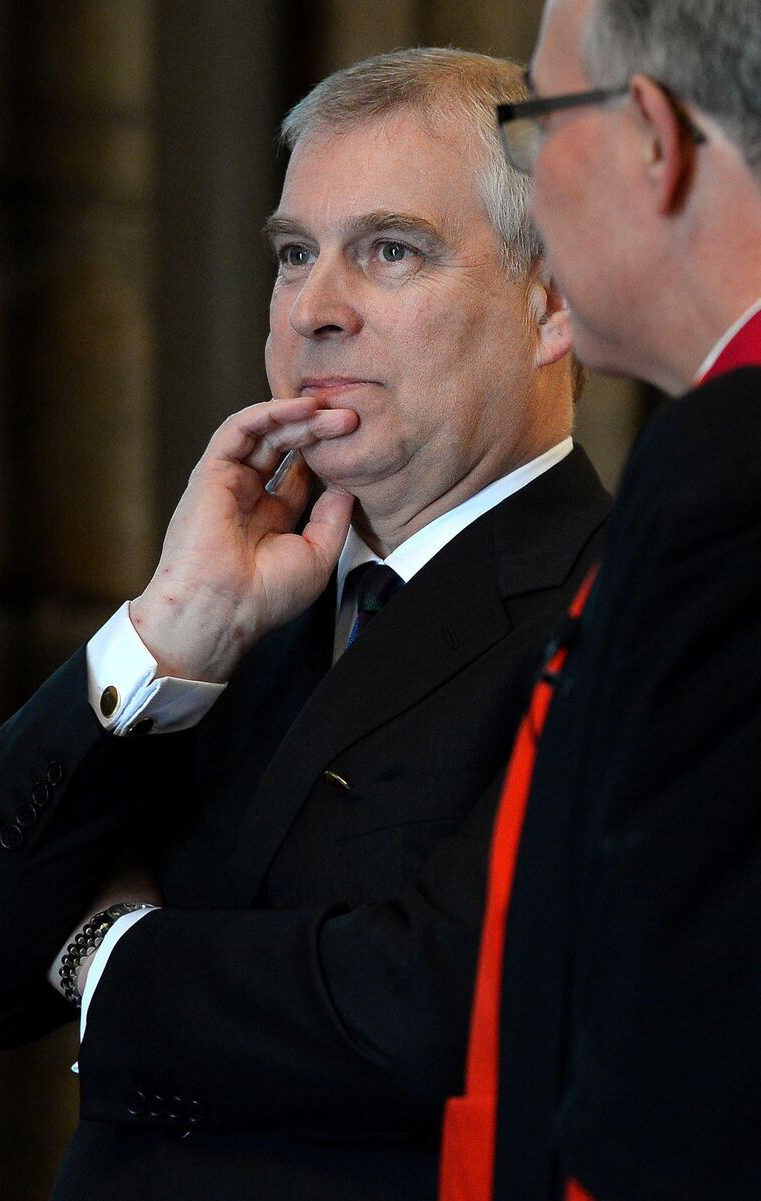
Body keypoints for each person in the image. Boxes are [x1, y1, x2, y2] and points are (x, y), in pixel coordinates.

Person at [0, 50, 610, 1201]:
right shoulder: (237, 602)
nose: (314, 309)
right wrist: (164, 636)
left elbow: (438, 1010)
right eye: (293, 254)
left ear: (550, 298)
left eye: (389, 249)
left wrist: (105, 955)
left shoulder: (613, 598)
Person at [440, 3, 761, 1200]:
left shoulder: (723, 477)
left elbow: (674, 1067)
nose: (531, 185)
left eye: (535, 118)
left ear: (647, 135)